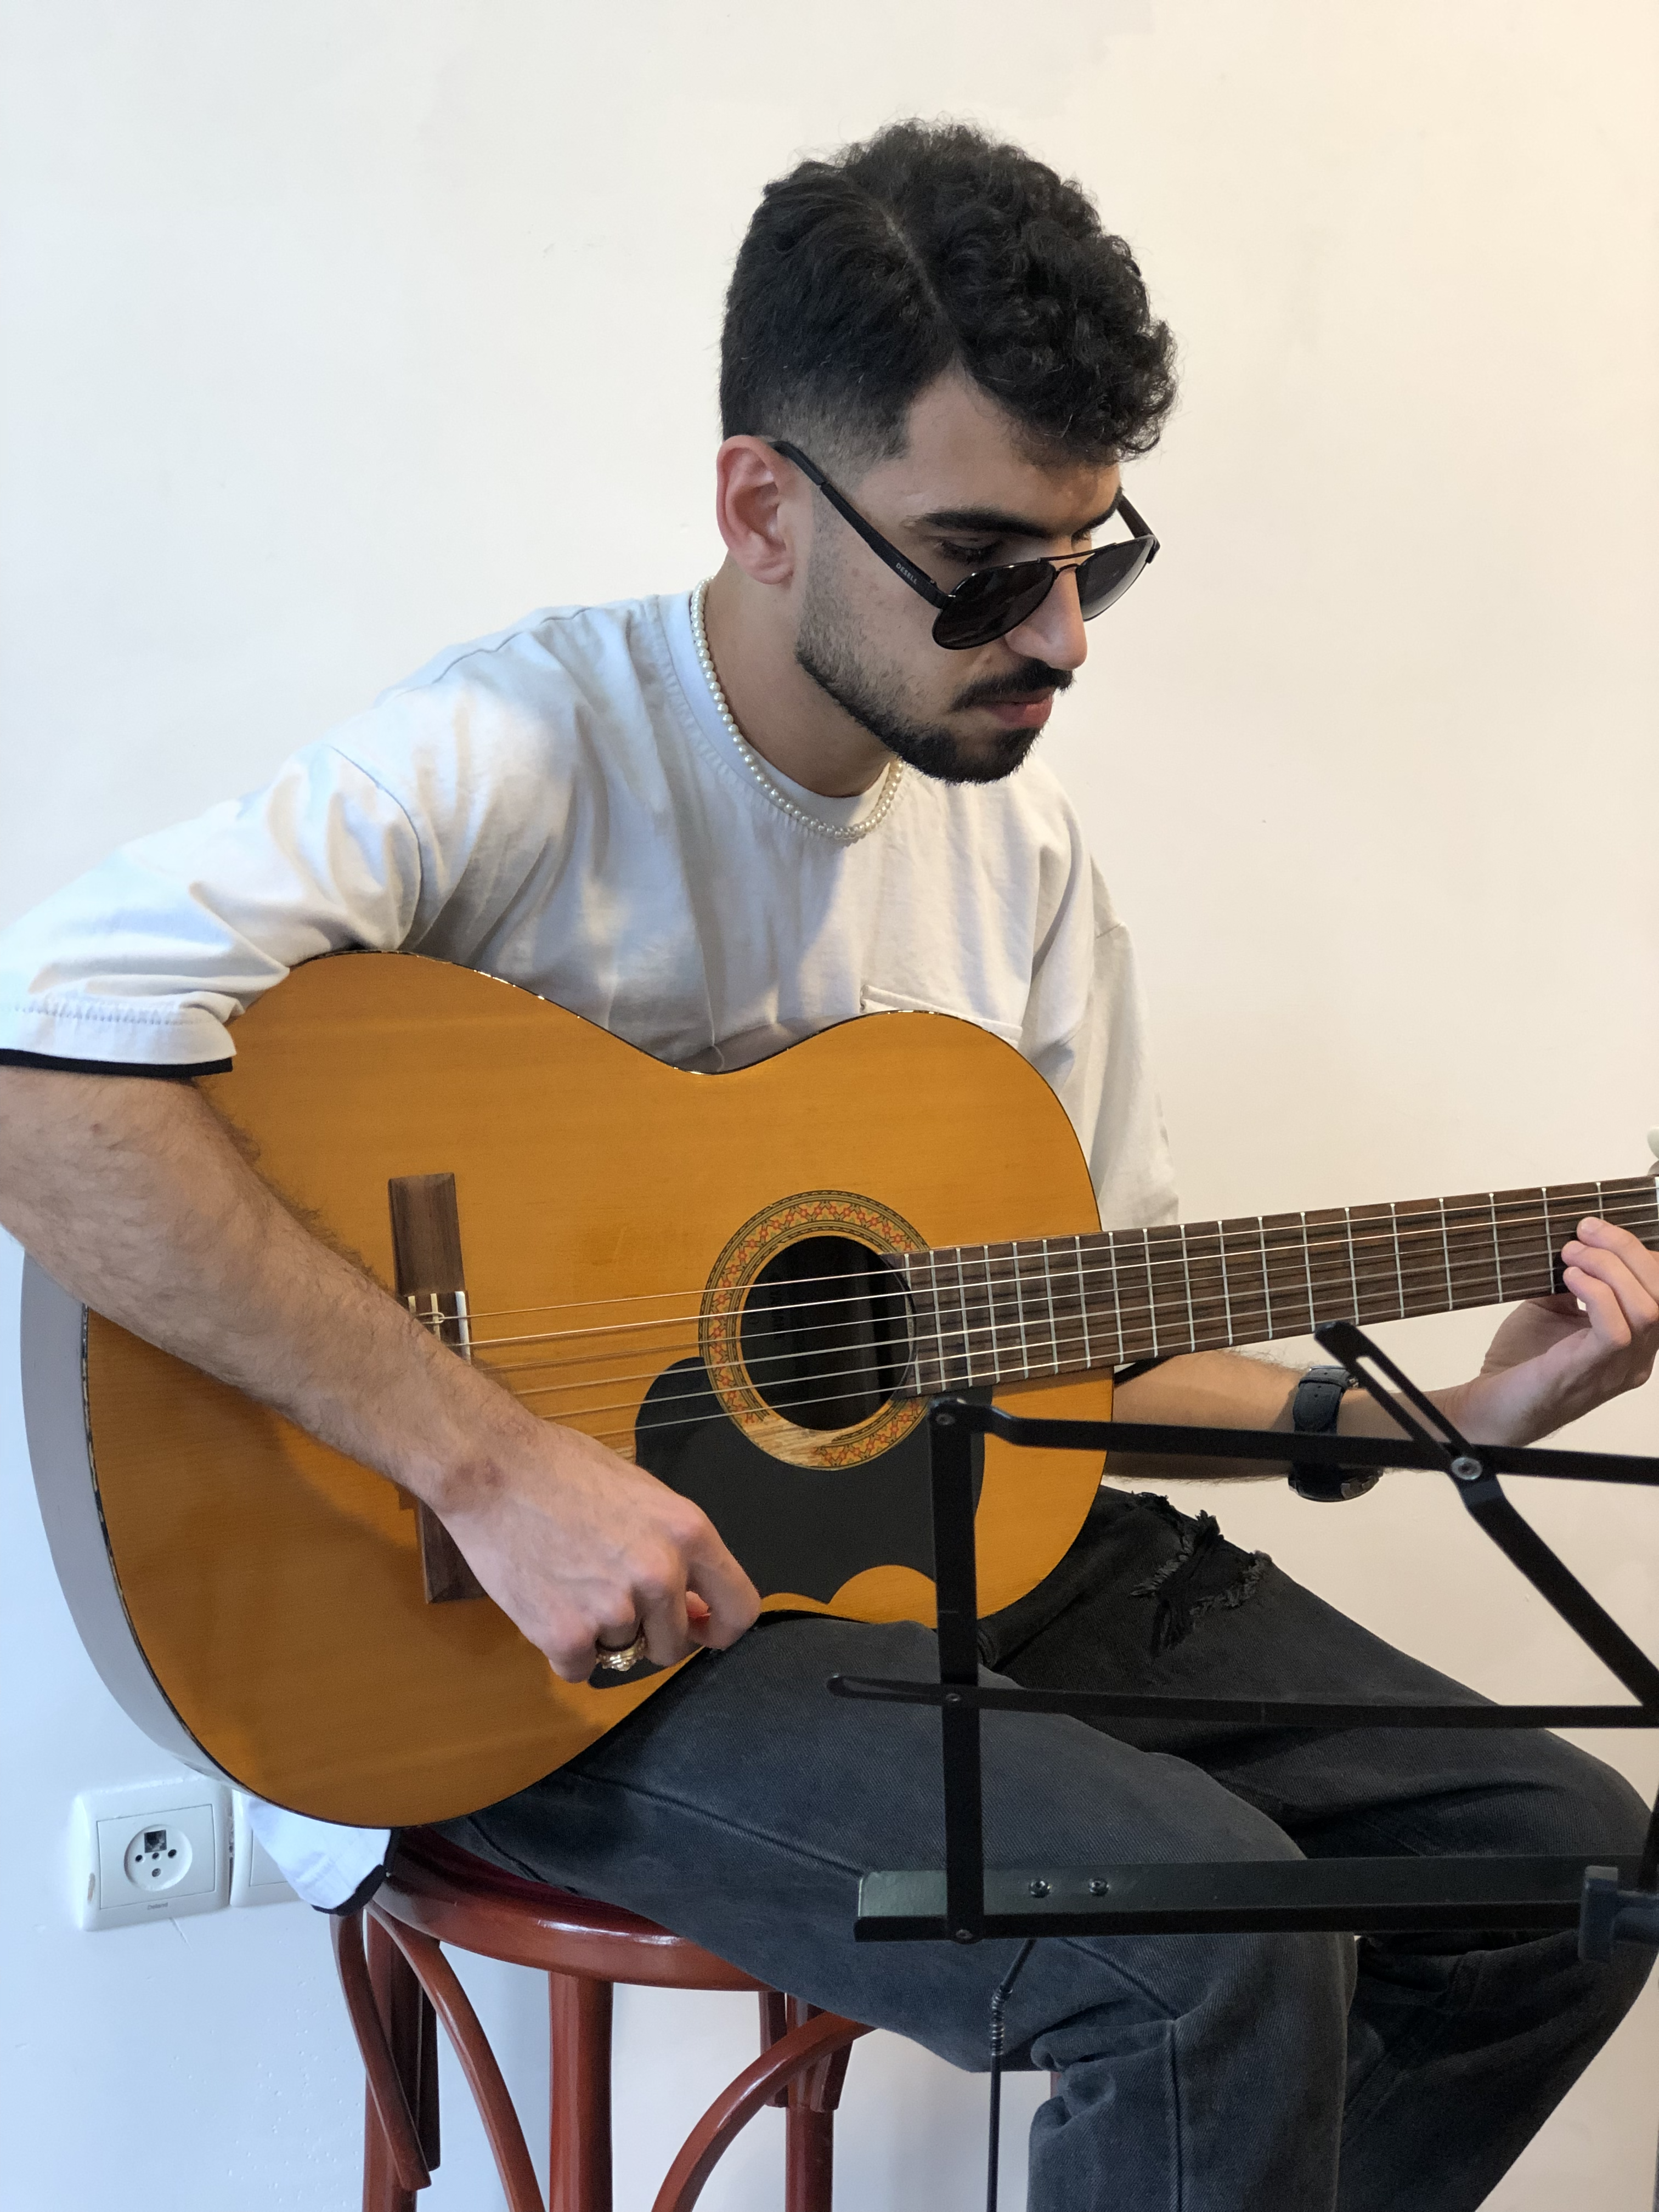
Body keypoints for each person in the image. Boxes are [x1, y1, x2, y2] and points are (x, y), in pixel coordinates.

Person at [2, 120, 1656, 2212]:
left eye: (1095, 558)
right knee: (1205, 1944)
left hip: (947, 1547)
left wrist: (1437, 1417)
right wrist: (493, 1465)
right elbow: (37, 1080)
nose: (1062, 639)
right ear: (762, 505)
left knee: (1561, 1860)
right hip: (545, 1642)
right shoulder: (514, 756)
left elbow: (1076, 1339)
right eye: (986, 565)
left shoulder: (1025, 857)